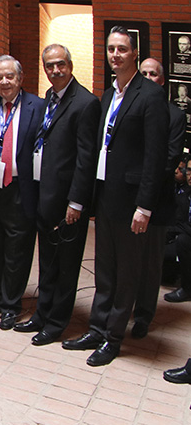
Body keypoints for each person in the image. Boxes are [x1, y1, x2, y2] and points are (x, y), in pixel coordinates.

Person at [61, 26, 170, 366]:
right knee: (104, 268)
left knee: (126, 272)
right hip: (106, 193)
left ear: (134, 53)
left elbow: (155, 158)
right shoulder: (109, 95)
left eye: (122, 49)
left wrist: (145, 207)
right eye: (110, 49)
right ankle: (97, 327)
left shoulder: (150, 96)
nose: (115, 55)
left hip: (132, 200)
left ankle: (113, 337)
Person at [11, 44, 99, 346]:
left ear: (70, 66)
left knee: (65, 266)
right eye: (49, 66)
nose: (55, 71)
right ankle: (42, 314)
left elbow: (86, 159)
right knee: (47, 261)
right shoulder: (50, 97)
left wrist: (77, 202)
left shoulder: (86, 103)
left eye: (60, 64)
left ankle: (57, 323)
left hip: (67, 201)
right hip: (44, 195)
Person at [0, 55, 43, 330]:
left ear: (20, 78)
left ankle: (11, 305)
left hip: (20, 188)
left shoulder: (36, 106)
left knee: (17, 250)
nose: (5, 82)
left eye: (10, 76)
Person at [128, 57, 188, 329]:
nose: (149, 77)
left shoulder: (174, 115)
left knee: (150, 263)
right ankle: (122, 307)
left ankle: (143, 315)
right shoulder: (132, 108)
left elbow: (170, 157)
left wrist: (143, 182)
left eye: (154, 74)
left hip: (158, 199)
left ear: (162, 81)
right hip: (128, 196)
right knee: (128, 259)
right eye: (144, 73)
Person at [163, 154, 191, 303]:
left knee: (183, 241)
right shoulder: (185, 194)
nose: (190, 175)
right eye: (189, 171)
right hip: (183, 232)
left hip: (185, 235)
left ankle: (187, 288)